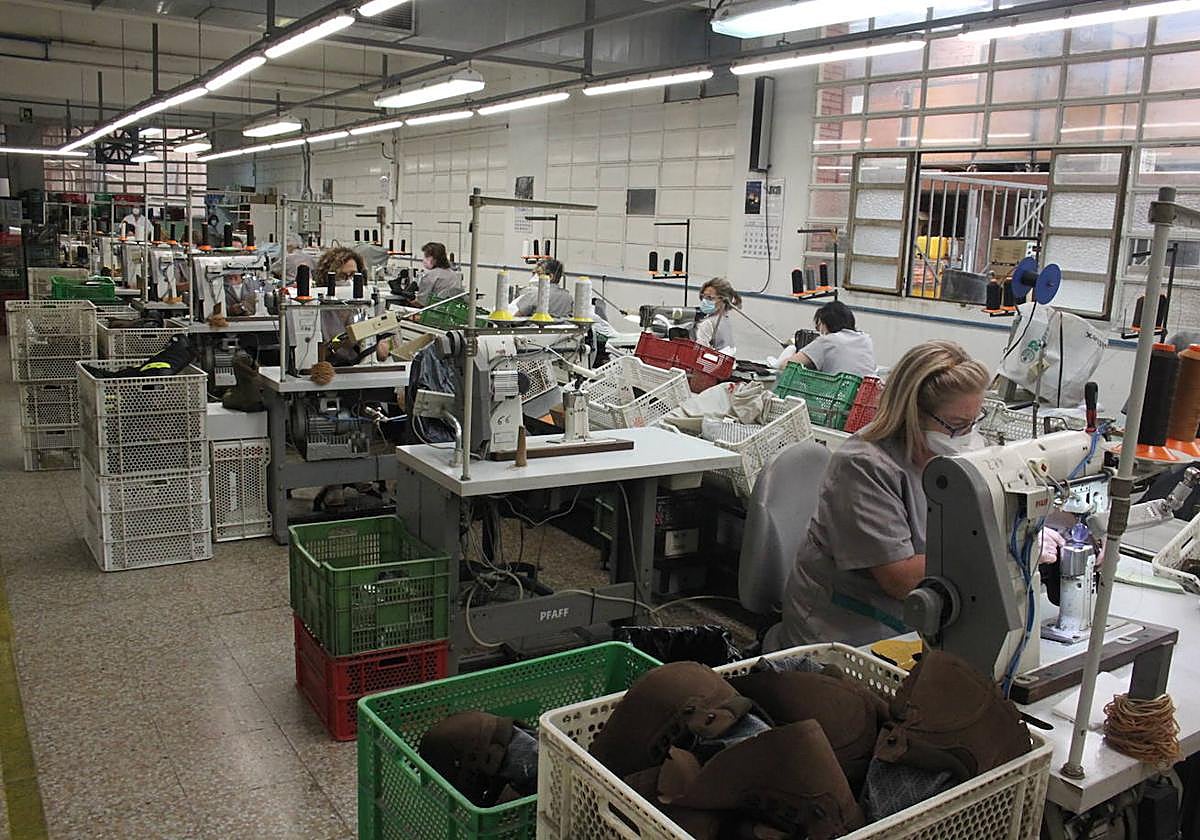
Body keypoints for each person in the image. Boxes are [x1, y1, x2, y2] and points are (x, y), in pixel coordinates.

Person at [778, 340, 991, 649]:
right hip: (844, 632)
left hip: (917, 616)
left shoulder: (945, 458)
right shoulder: (864, 465)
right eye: (957, 425)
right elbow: (900, 578)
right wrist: (993, 548)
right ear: (912, 413)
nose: (966, 436)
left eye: (974, 423)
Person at [315, 246, 389, 363]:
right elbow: (315, 356)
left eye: (354, 275)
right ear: (327, 279)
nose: (349, 281)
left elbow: (383, 354)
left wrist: (369, 335)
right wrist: (340, 342)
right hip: (331, 368)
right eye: (342, 276)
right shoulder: (319, 309)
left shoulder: (369, 303)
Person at [786, 301, 876, 378]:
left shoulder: (827, 341)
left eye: (819, 325)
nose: (819, 331)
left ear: (825, 323)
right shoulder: (865, 339)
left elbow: (786, 366)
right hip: (865, 395)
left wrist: (792, 350)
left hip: (837, 396)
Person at [508, 258, 573, 319]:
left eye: (538, 273)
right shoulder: (568, 298)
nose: (535, 277)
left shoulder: (535, 294)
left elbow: (515, 319)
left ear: (550, 276)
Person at [695, 277, 740, 352]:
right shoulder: (725, 320)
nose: (704, 301)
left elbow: (699, 353)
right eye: (703, 296)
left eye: (709, 298)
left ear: (723, 300)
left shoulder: (707, 323)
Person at [416, 242, 464, 306]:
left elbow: (421, 302)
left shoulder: (431, 276)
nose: (424, 259)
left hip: (433, 312)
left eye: (426, 256)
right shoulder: (453, 275)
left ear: (434, 258)